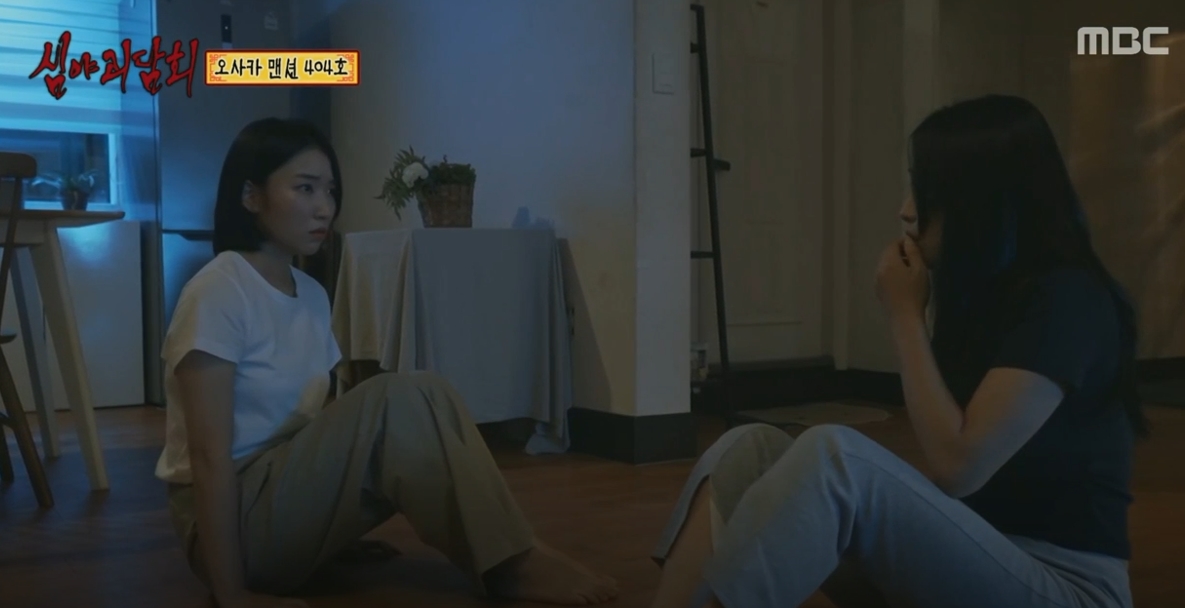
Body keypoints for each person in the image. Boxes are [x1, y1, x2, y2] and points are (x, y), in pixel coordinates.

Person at [646, 94, 1146, 608]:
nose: (906, 210)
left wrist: (904, 315)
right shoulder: (982, 295)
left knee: (836, 457)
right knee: (745, 449)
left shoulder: (1070, 300)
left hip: (1064, 586)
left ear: (983, 205)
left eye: (927, 194)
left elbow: (958, 466)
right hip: (979, 552)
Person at [155, 117, 618, 608]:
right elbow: (208, 458)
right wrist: (231, 594)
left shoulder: (310, 293)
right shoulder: (218, 290)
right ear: (251, 196)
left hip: (277, 501)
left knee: (427, 388)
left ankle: (512, 553)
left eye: (330, 191)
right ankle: (512, 564)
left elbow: (304, 429)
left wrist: (330, 529)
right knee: (395, 396)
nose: (324, 207)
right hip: (228, 530)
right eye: (305, 188)